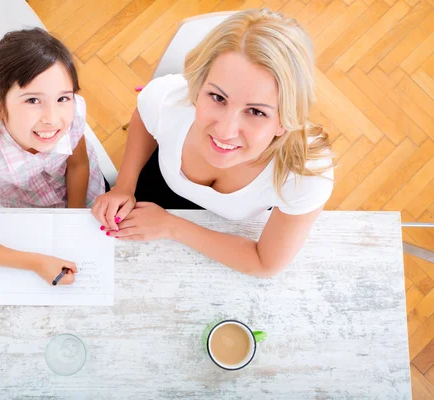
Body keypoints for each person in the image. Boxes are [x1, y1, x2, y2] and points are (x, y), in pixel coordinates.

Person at [92, 9, 334, 278]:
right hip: (152, 191)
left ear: (285, 121)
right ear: (197, 86)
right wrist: (125, 185)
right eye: (218, 98)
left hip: (223, 232)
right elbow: (144, 117)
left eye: (256, 112)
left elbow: (265, 264)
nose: (225, 131)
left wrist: (172, 226)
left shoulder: (306, 174)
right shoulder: (169, 100)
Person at [0, 28, 106, 285]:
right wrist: (36, 262)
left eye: (63, 97)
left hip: (83, 197)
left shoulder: (72, 111)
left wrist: (71, 221)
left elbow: (77, 164)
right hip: (23, 212)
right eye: (32, 100)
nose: (52, 119)